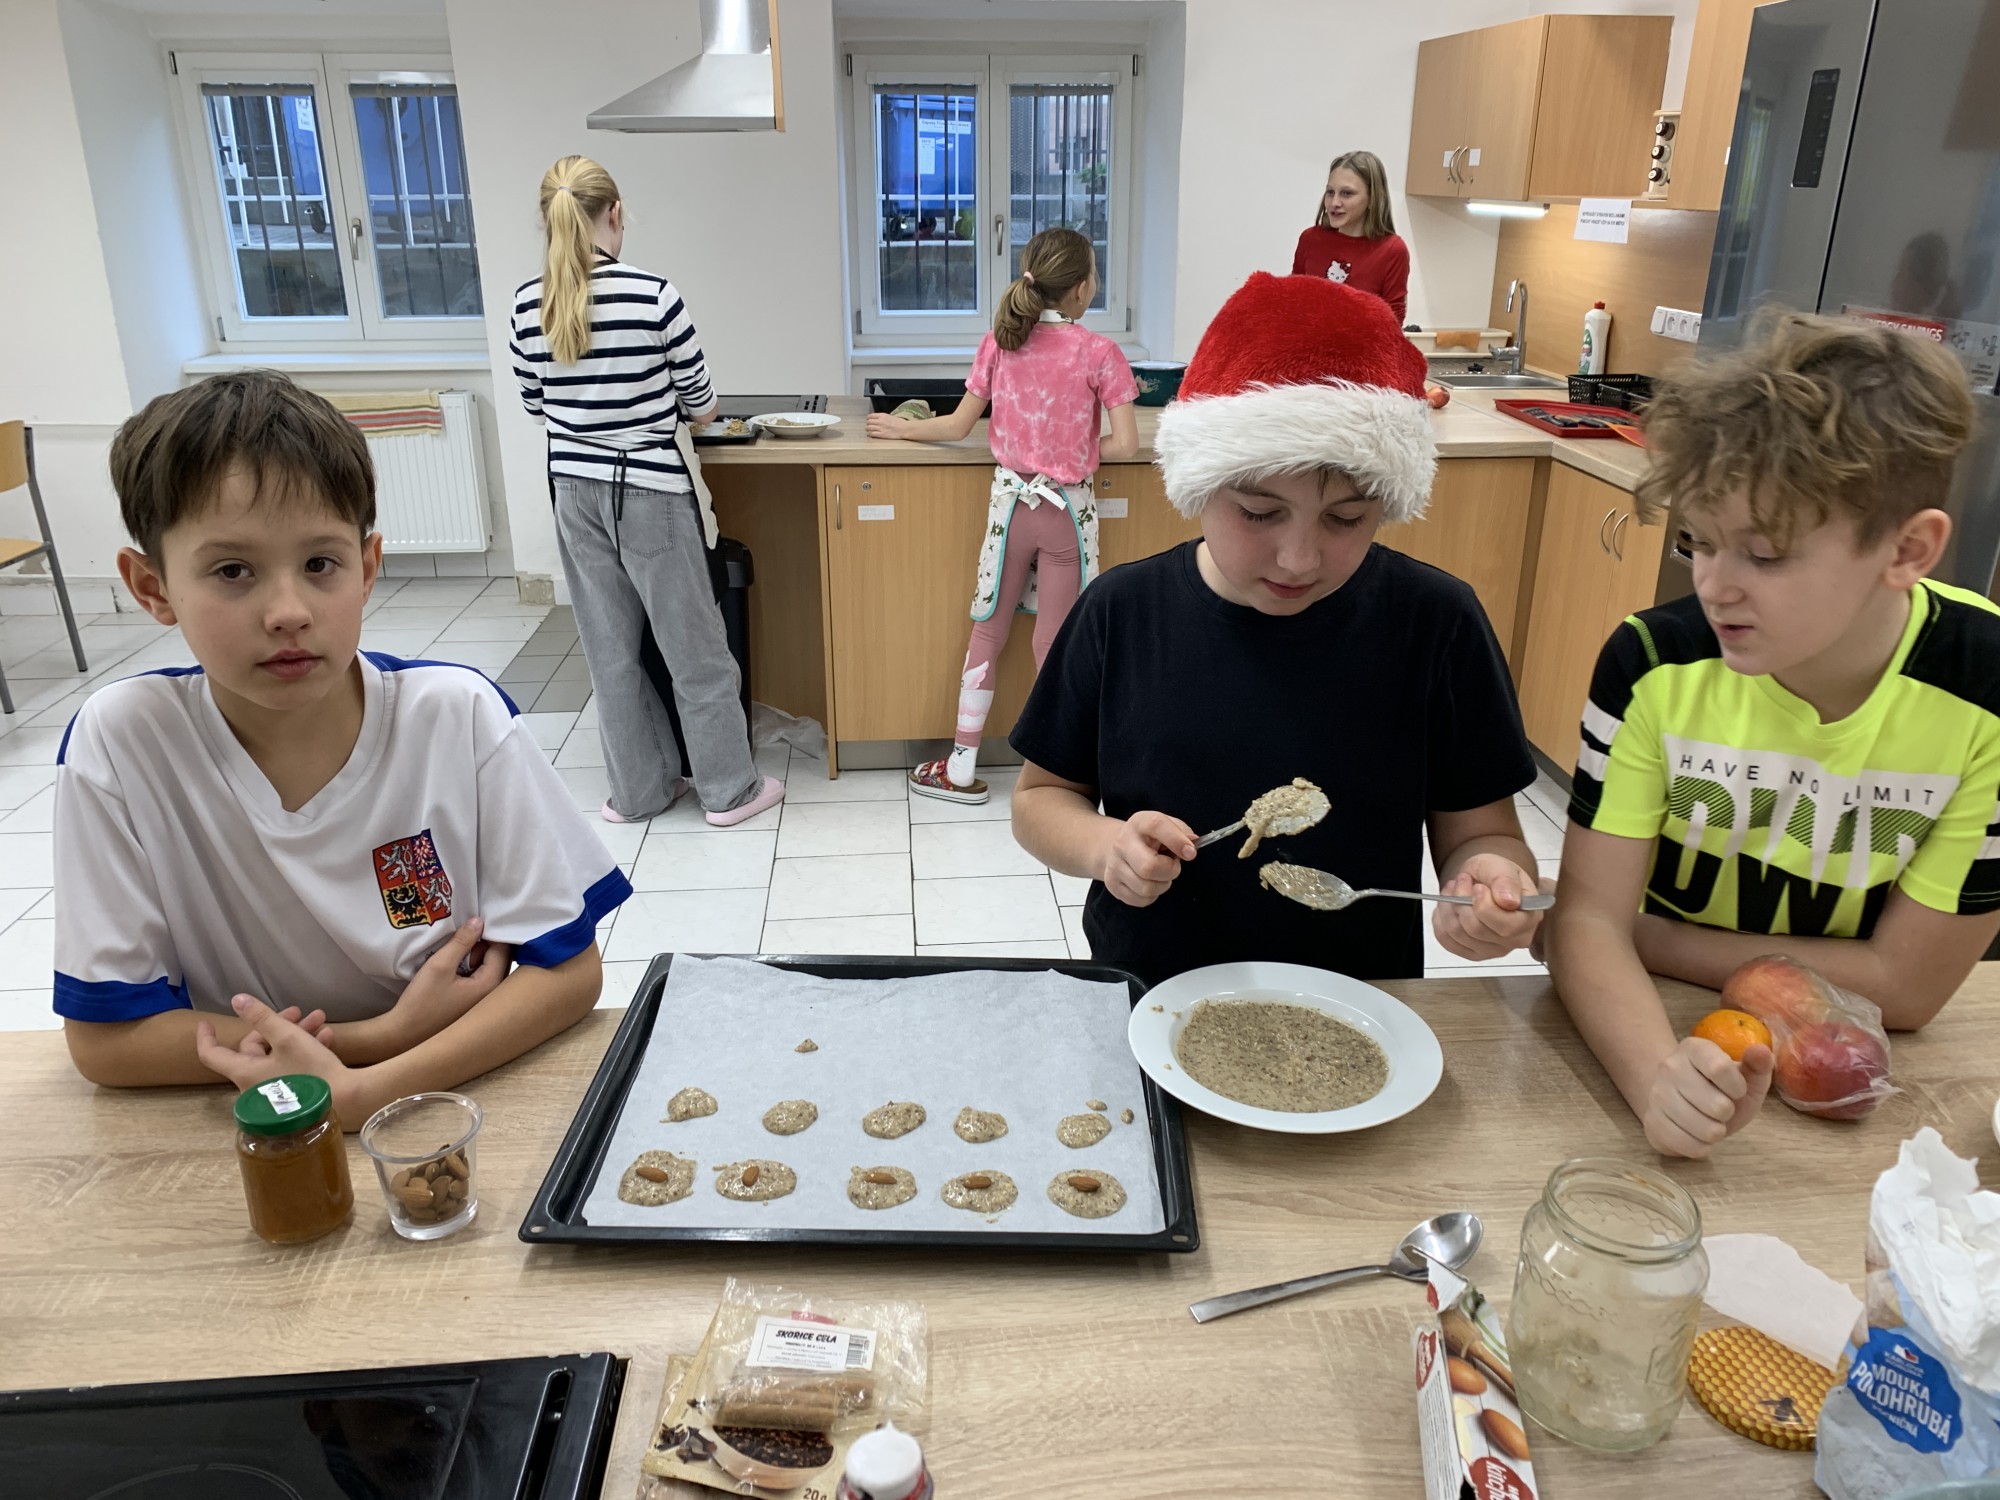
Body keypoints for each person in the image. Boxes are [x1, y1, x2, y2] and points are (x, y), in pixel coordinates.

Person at [53, 370, 631, 1127]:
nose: (288, 612)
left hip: (450, 1110)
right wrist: (375, 1041)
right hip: (263, 1124)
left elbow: (568, 973)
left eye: (320, 564)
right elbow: (106, 1042)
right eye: (233, 571)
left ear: (366, 568)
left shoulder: (455, 717)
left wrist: (365, 1092)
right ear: (152, 586)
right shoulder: (123, 742)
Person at [1546, 312, 2000, 1159]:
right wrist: (1657, 1081)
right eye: (1700, 542)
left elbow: (1909, 990)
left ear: (1908, 549)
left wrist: (1644, 935)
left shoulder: (1986, 692)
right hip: (1657, 1024)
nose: (1715, 587)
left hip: (1872, 1083)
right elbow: (1586, 931)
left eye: (1765, 555)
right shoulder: (1653, 663)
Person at [1008, 273, 1544, 983]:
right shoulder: (1121, 613)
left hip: (1360, 999)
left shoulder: (1436, 623)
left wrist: (1488, 882)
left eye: (1345, 519)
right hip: (1155, 991)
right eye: (1259, 513)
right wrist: (1105, 847)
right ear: (1200, 485)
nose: (1299, 558)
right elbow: (1040, 799)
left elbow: (1483, 830)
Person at [509, 154, 781, 827]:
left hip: (573, 492)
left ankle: (639, 793)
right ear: (615, 213)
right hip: (650, 492)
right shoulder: (653, 294)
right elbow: (704, 406)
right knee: (695, 650)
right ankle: (729, 791)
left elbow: (537, 407)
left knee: (611, 653)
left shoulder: (526, 303)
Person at [866, 227, 1140, 803]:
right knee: (1054, 644)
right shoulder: (1100, 353)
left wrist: (901, 428)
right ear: (1083, 288)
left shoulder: (1000, 341)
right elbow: (1126, 444)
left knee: (988, 631)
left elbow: (957, 425)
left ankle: (961, 766)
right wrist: (1071, 454)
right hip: (1066, 514)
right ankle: (1058, 774)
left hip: (1009, 509)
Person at [1291, 150, 1411, 325]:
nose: (1334, 203)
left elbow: (1392, 322)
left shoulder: (1392, 250)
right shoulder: (1310, 239)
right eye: (1330, 192)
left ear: (1372, 198)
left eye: (1347, 193)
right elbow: (1293, 301)